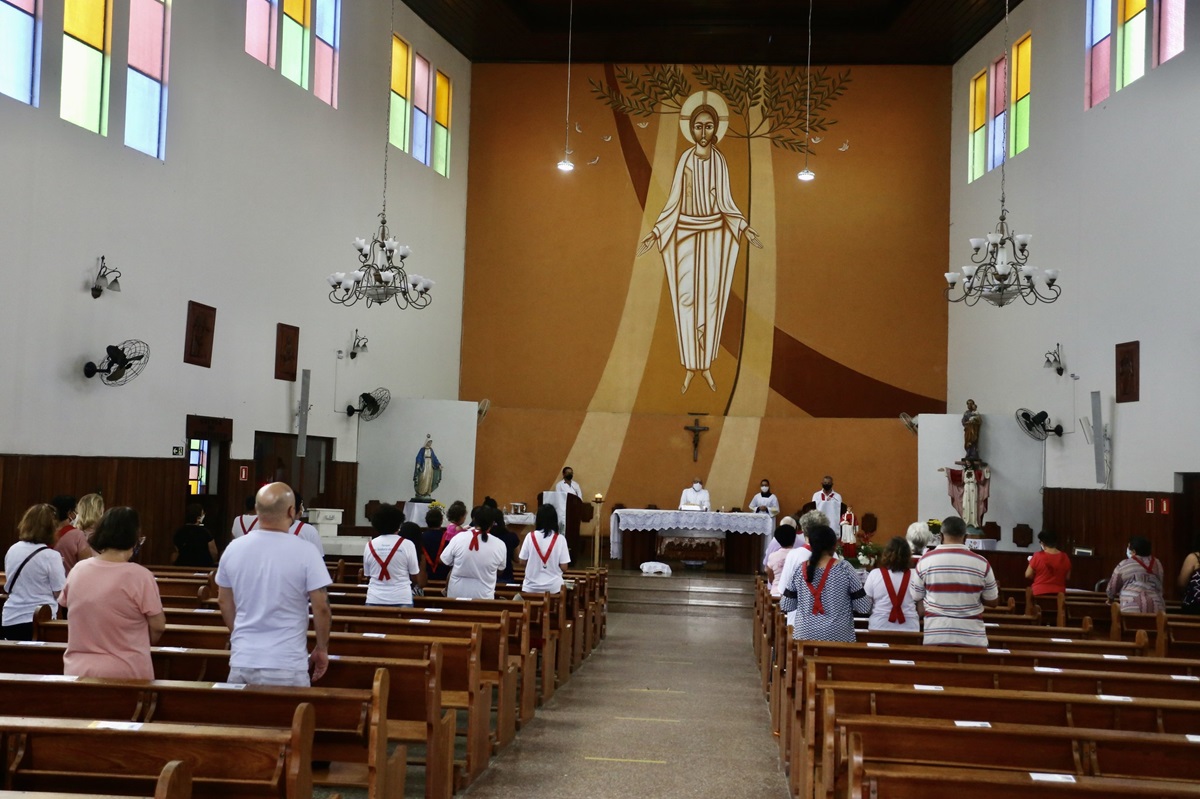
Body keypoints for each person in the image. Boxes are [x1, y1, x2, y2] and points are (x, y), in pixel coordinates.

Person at [637, 94, 762, 394]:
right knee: (686, 301)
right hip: (686, 239)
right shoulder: (685, 160)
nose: (703, 133)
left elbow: (726, 201)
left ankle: (705, 366)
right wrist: (656, 233)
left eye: (708, 127)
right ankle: (690, 366)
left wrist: (744, 228)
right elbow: (674, 202)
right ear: (691, 130)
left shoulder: (719, 160)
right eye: (698, 127)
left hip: (715, 238)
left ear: (715, 129)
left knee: (711, 300)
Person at [216, 482, 332, 687]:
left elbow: (224, 601)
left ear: (258, 510)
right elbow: (321, 607)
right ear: (291, 511)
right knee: (290, 718)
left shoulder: (234, 548)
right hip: (286, 662)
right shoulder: (306, 551)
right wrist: (321, 648)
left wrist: (240, 636)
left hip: (243, 659)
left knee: (241, 718)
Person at [60, 507, 165, 679]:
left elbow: (66, 606)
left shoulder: (78, 570)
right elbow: (158, 626)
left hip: (78, 670)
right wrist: (139, 643)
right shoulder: (140, 576)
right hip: (126, 670)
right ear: (134, 537)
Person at [910, 515, 999, 646]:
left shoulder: (925, 561)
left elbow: (916, 596)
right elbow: (993, 601)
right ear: (966, 537)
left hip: (937, 634)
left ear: (941, 535)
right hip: (972, 636)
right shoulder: (981, 562)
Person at [780, 525, 870, 642]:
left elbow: (786, 605)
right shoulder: (845, 569)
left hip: (805, 636)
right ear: (834, 545)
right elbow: (863, 607)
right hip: (838, 637)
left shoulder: (800, 570)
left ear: (811, 546)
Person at [2, 504, 67, 641]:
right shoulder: (51, 556)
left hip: (10, 617)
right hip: (40, 620)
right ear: (51, 529)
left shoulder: (13, 549)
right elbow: (59, 592)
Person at [440, 505, 507, 599]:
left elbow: (444, 560)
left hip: (456, 595)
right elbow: (500, 570)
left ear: (474, 520)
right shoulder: (500, 544)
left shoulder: (459, 538)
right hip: (483, 596)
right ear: (492, 523)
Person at [363, 505, 423, 607]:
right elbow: (415, 575)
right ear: (399, 524)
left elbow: (368, 574)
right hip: (401, 598)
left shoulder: (369, 545)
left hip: (375, 598)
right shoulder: (408, 545)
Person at [863, 537, 919, 632]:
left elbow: (866, 606)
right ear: (908, 556)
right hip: (910, 629)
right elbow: (921, 605)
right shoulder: (916, 575)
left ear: (886, 554)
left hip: (879, 627)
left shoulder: (874, 574)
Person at [519, 504, 571, 594]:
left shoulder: (529, 537)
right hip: (554, 588)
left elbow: (522, 562)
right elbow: (564, 567)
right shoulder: (560, 539)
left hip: (531, 588)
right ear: (555, 520)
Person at [1106, 535, 1165, 614]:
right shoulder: (1157, 564)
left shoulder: (1124, 564)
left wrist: (1110, 600)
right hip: (1157, 609)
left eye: (1128, 547)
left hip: (1131, 607)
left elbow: (1112, 588)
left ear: (1134, 551)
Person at [56, 493, 99, 574]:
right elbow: (85, 565)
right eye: (75, 511)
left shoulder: (45, 533)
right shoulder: (77, 535)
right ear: (70, 513)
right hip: (72, 579)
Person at [483, 497, 519, 584]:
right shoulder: (512, 537)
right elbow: (517, 559)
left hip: (486, 578)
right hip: (506, 578)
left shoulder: (483, 536)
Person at [1025, 530, 1071, 596]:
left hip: (1039, 592)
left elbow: (1028, 574)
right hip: (1058, 594)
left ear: (1043, 543)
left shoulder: (1037, 556)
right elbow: (1067, 577)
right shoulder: (1065, 557)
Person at [172, 503, 218, 567]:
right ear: (198, 518)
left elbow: (175, 553)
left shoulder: (179, 532)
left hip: (183, 567)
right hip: (203, 568)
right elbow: (214, 553)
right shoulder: (205, 533)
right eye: (203, 514)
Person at [764, 524, 797, 597]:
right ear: (794, 539)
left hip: (776, 593)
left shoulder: (773, 556)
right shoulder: (798, 555)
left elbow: (771, 579)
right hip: (794, 595)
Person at [421, 506, 452, 581]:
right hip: (444, 577)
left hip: (425, 578)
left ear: (426, 521)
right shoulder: (448, 539)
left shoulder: (420, 538)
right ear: (441, 521)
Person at [413, 436, 442, 500]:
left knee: (429, 478)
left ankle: (427, 492)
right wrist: (418, 463)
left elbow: (434, 458)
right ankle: (421, 493)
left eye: (431, 442)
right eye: (429, 442)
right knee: (423, 477)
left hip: (430, 466)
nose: (430, 443)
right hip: (424, 465)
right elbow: (419, 457)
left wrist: (439, 464)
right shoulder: (422, 449)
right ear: (426, 442)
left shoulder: (431, 450)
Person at [1178, 547, 1200, 615]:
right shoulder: (1194, 558)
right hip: (1194, 608)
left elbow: (1182, 584)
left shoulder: (1193, 558)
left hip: (1194, 606)